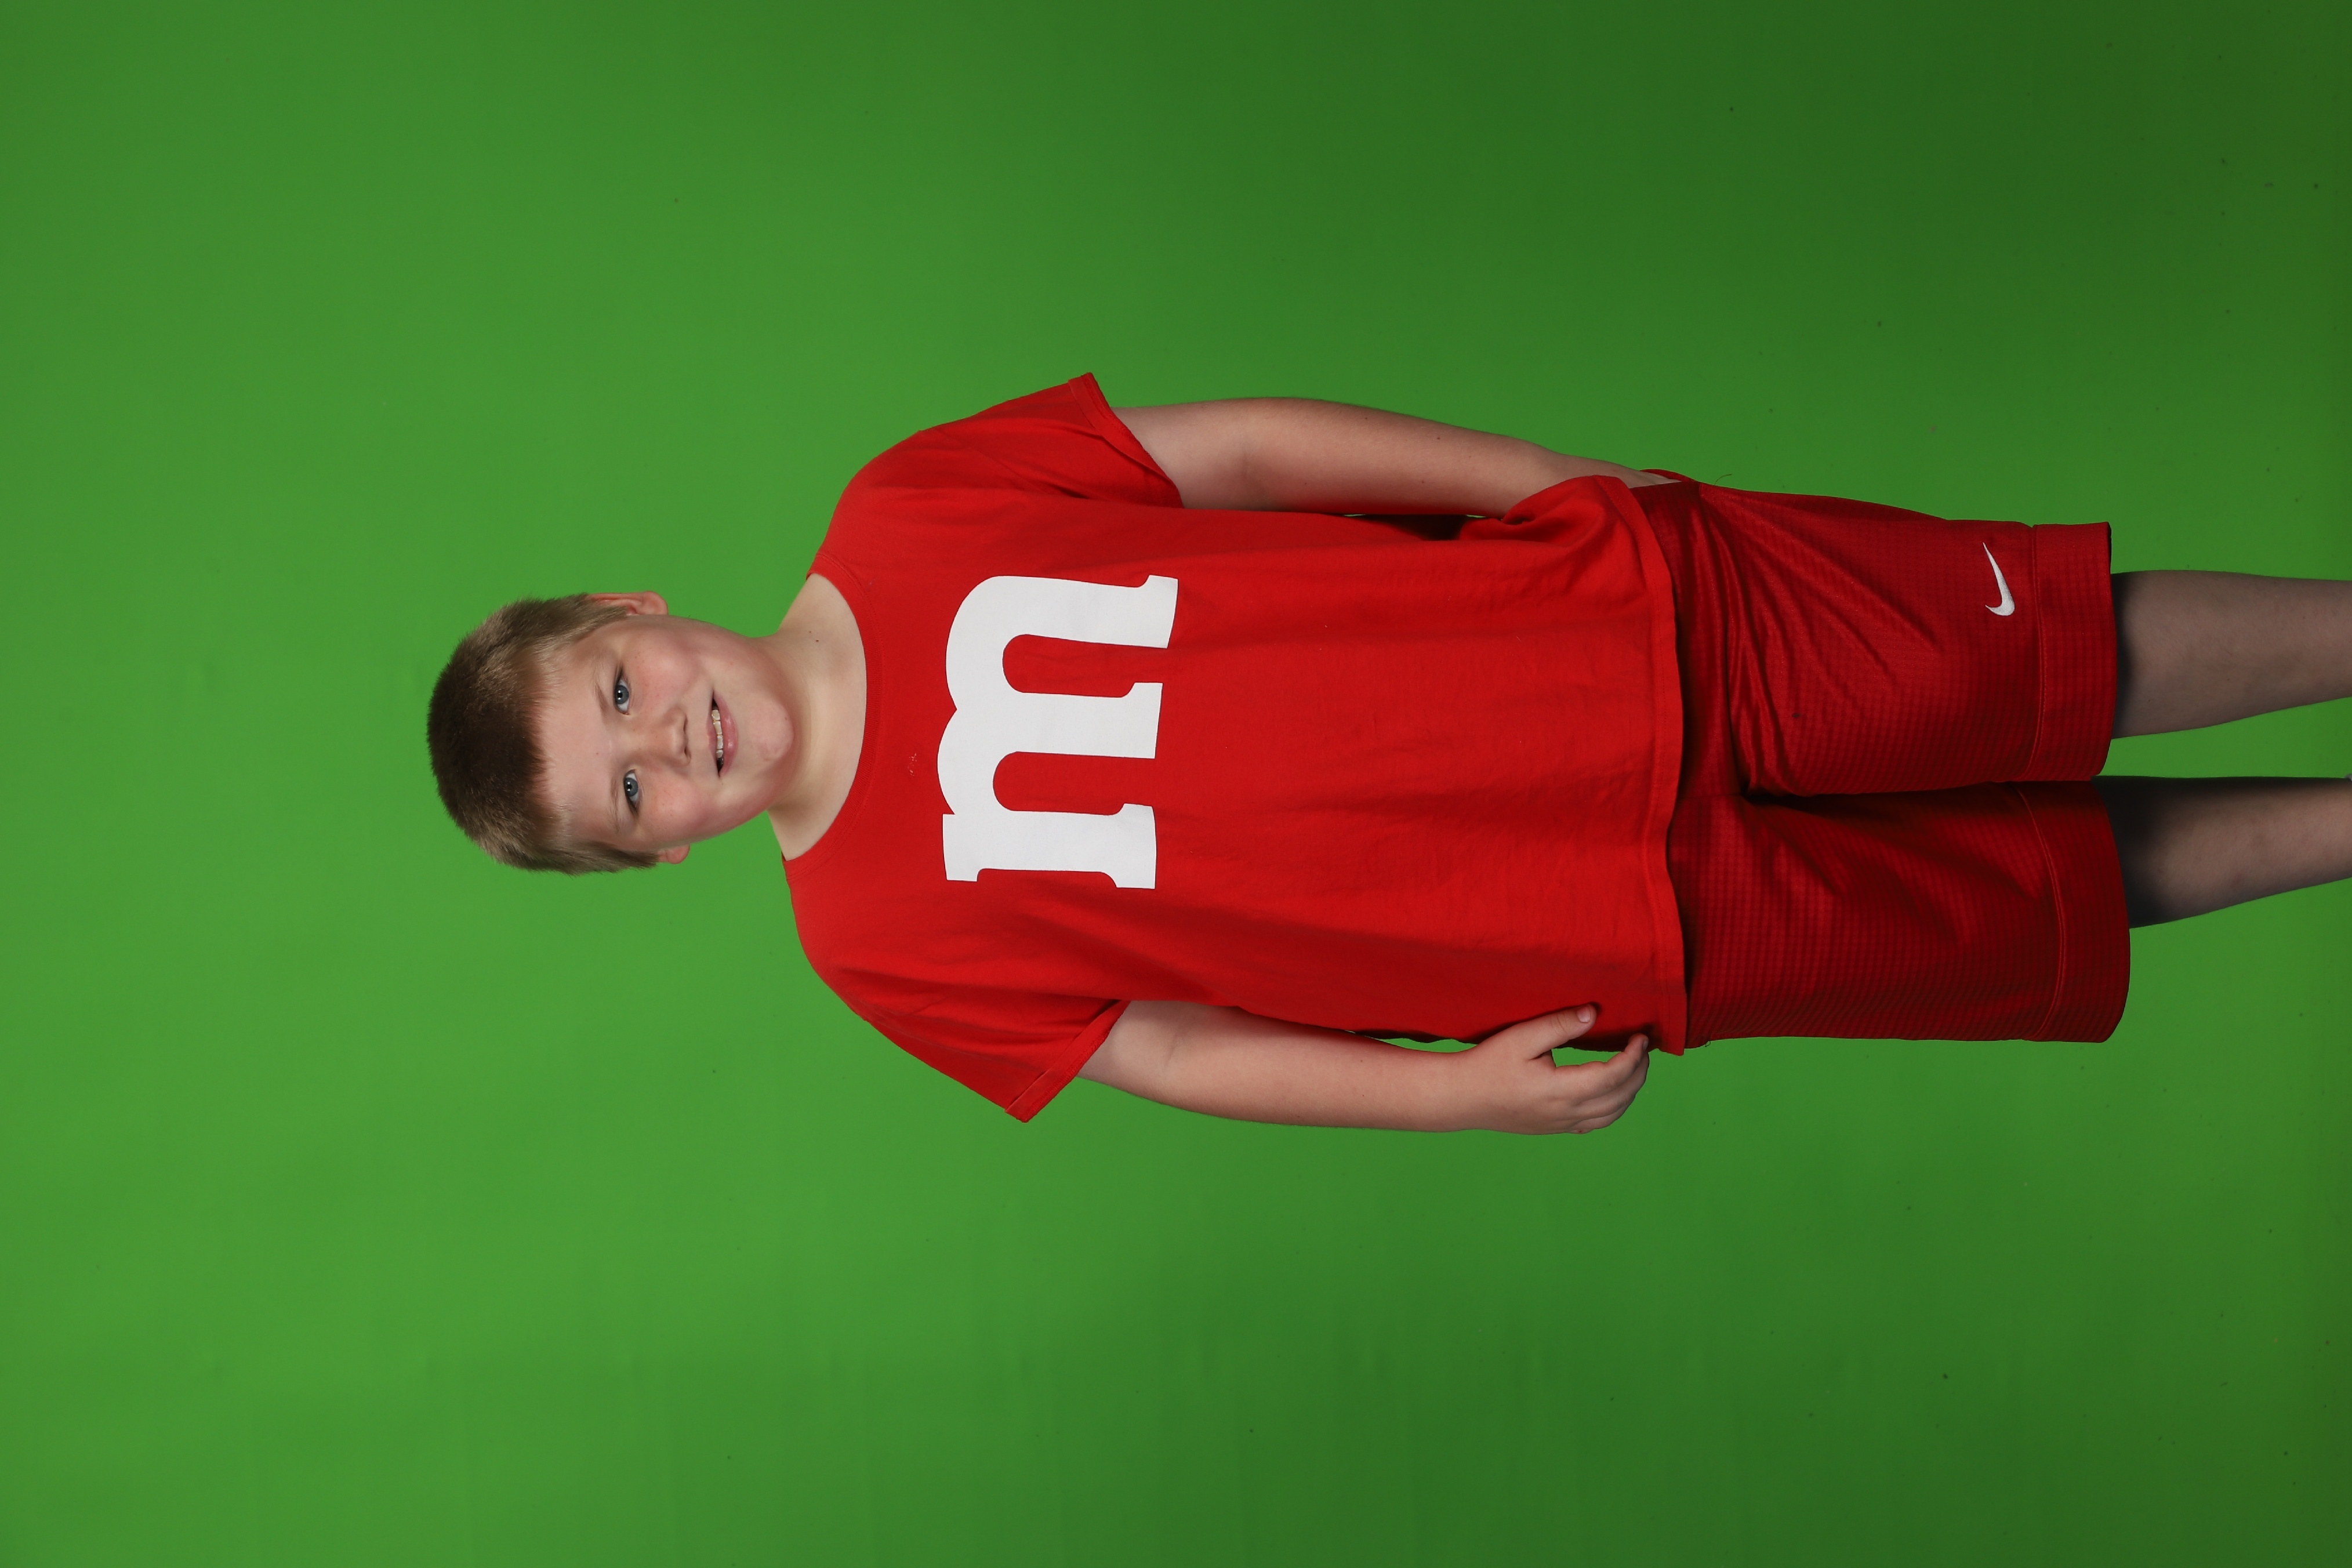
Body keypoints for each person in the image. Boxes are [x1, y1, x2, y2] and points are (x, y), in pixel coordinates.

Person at [427, 376, 2352, 1135]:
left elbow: (1241, 451)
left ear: (635, 605)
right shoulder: (871, 945)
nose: (668, 740)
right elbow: (1166, 1049)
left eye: (622, 689)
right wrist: (1446, 1104)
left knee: (2052, 652)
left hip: (1618, 622)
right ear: (662, 854)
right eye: (631, 792)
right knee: (2033, 896)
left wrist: (1546, 485)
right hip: (1606, 919)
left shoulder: (910, 500)